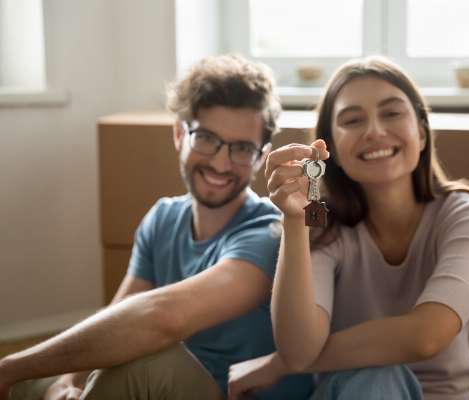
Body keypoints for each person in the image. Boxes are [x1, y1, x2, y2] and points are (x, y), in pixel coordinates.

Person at [0, 54, 313, 400]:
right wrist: (67, 380)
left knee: (147, 361)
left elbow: (160, 317)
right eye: (207, 138)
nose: (221, 163)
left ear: (260, 157)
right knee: (39, 382)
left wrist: (11, 365)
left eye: (241, 148)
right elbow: (121, 314)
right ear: (180, 134)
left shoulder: (268, 232)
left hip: (226, 393)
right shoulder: (163, 218)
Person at [227, 56, 469, 400]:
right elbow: (299, 349)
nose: (373, 131)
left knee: (380, 375)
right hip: (349, 392)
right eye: (353, 120)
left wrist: (278, 365)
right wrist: (295, 222)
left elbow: (427, 334)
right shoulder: (323, 225)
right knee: (374, 380)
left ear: (422, 131)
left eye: (392, 113)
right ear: (333, 151)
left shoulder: (468, 215)